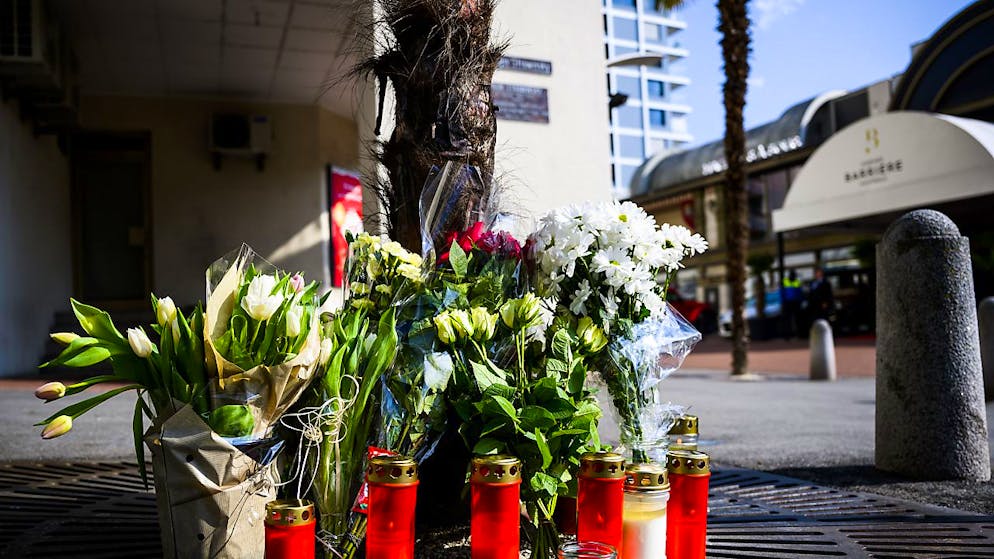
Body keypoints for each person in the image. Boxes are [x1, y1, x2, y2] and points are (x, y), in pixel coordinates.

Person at [782, 270, 803, 340]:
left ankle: (798, 334)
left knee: (797, 319)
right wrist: (783, 302)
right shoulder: (785, 281)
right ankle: (787, 335)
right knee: (788, 320)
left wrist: (800, 301)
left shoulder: (796, 282)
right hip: (788, 303)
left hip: (795, 302)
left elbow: (799, 292)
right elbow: (782, 292)